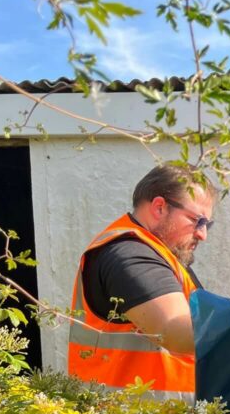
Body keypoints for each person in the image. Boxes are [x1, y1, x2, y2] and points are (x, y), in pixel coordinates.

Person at [67, 163, 215, 401]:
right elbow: (175, 331)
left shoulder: (165, 257)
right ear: (159, 207)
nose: (202, 234)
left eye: (208, 225)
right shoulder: (129, 254)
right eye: (197, 221)